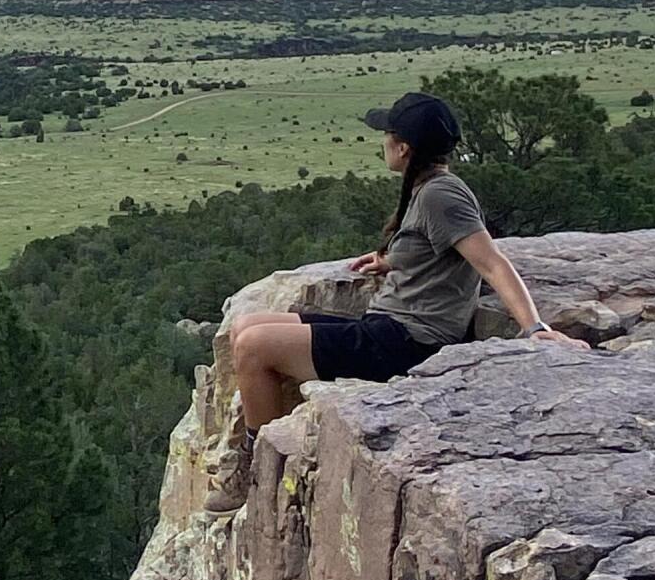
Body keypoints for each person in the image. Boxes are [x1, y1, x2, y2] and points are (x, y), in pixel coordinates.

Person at [206, 91, 587, 513]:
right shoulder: (427, 189)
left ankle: (255, 474)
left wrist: (535, 329)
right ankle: (259, 453)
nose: (383, 142)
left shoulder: (443, 196)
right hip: (388, 326)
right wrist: (394, 261)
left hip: (409, 343)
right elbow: (436, 250)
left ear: (403, 148)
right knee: (246, 325)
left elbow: (492, 263)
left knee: (253, 348)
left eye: (387, 135)